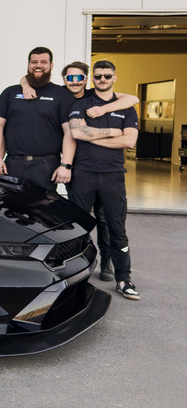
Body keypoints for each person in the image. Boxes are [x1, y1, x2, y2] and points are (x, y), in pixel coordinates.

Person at [21, 61, 140, 280]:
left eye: (78, 78)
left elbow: (133, 100)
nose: (74, 82)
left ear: (86, 79)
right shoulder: (61, 94)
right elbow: (75, 133)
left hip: (106, 172)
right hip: (79, 169)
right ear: (64, 79)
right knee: (77, 223)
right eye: (69, 78)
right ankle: (78, 267)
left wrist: (101, 114)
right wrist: (114, 132)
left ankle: (107, 264)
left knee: (107, 221)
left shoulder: (99, 97)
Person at [68, 60, 140, 300]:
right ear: (93, 79)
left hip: (113, 176)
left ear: (114, 78)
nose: (102, 80)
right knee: (77, 228)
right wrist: (111, 132)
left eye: (106, 76)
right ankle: (74, 278)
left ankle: (124, 279)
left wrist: (92, 136)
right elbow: (77, 132)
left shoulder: (126, 108)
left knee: (117, 228)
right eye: (98, 76)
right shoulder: (81, 104)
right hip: (83, 175)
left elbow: (129, 141)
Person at [0, 47, 75, 191]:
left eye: (44, 62)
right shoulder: (10, 92)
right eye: (34, 62)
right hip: (13, 164)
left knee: (42, 210)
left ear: (51, 65)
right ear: (28, 65)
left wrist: (65, 165)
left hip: (46, 166)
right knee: (10, 209)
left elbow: (69, 132)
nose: (38, 65)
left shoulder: (61, 94)